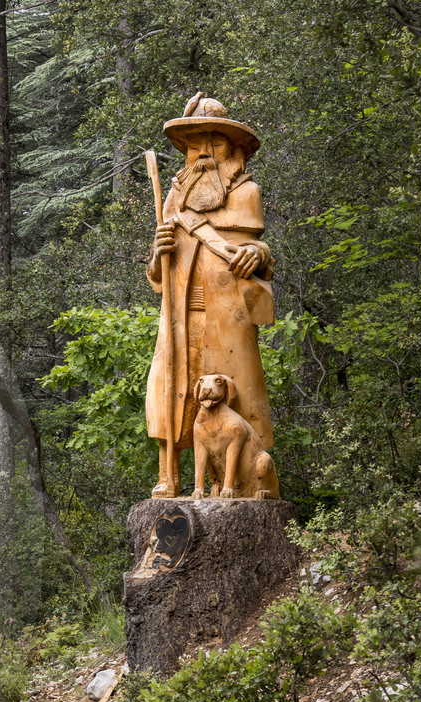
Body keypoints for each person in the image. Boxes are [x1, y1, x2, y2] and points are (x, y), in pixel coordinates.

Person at [146, 94, 277, 499]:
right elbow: (158, 275)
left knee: (235, 391)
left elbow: (257, 249)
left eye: (214, 143)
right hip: (180, 315)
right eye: (194, 145)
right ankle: (169, 474)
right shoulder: (173, 198)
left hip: (228, 314)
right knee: (170, 388)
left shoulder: (246, 192)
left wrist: (257, 254)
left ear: (233, 150)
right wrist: (157, 252)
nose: (203, 153)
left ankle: (240, 479)